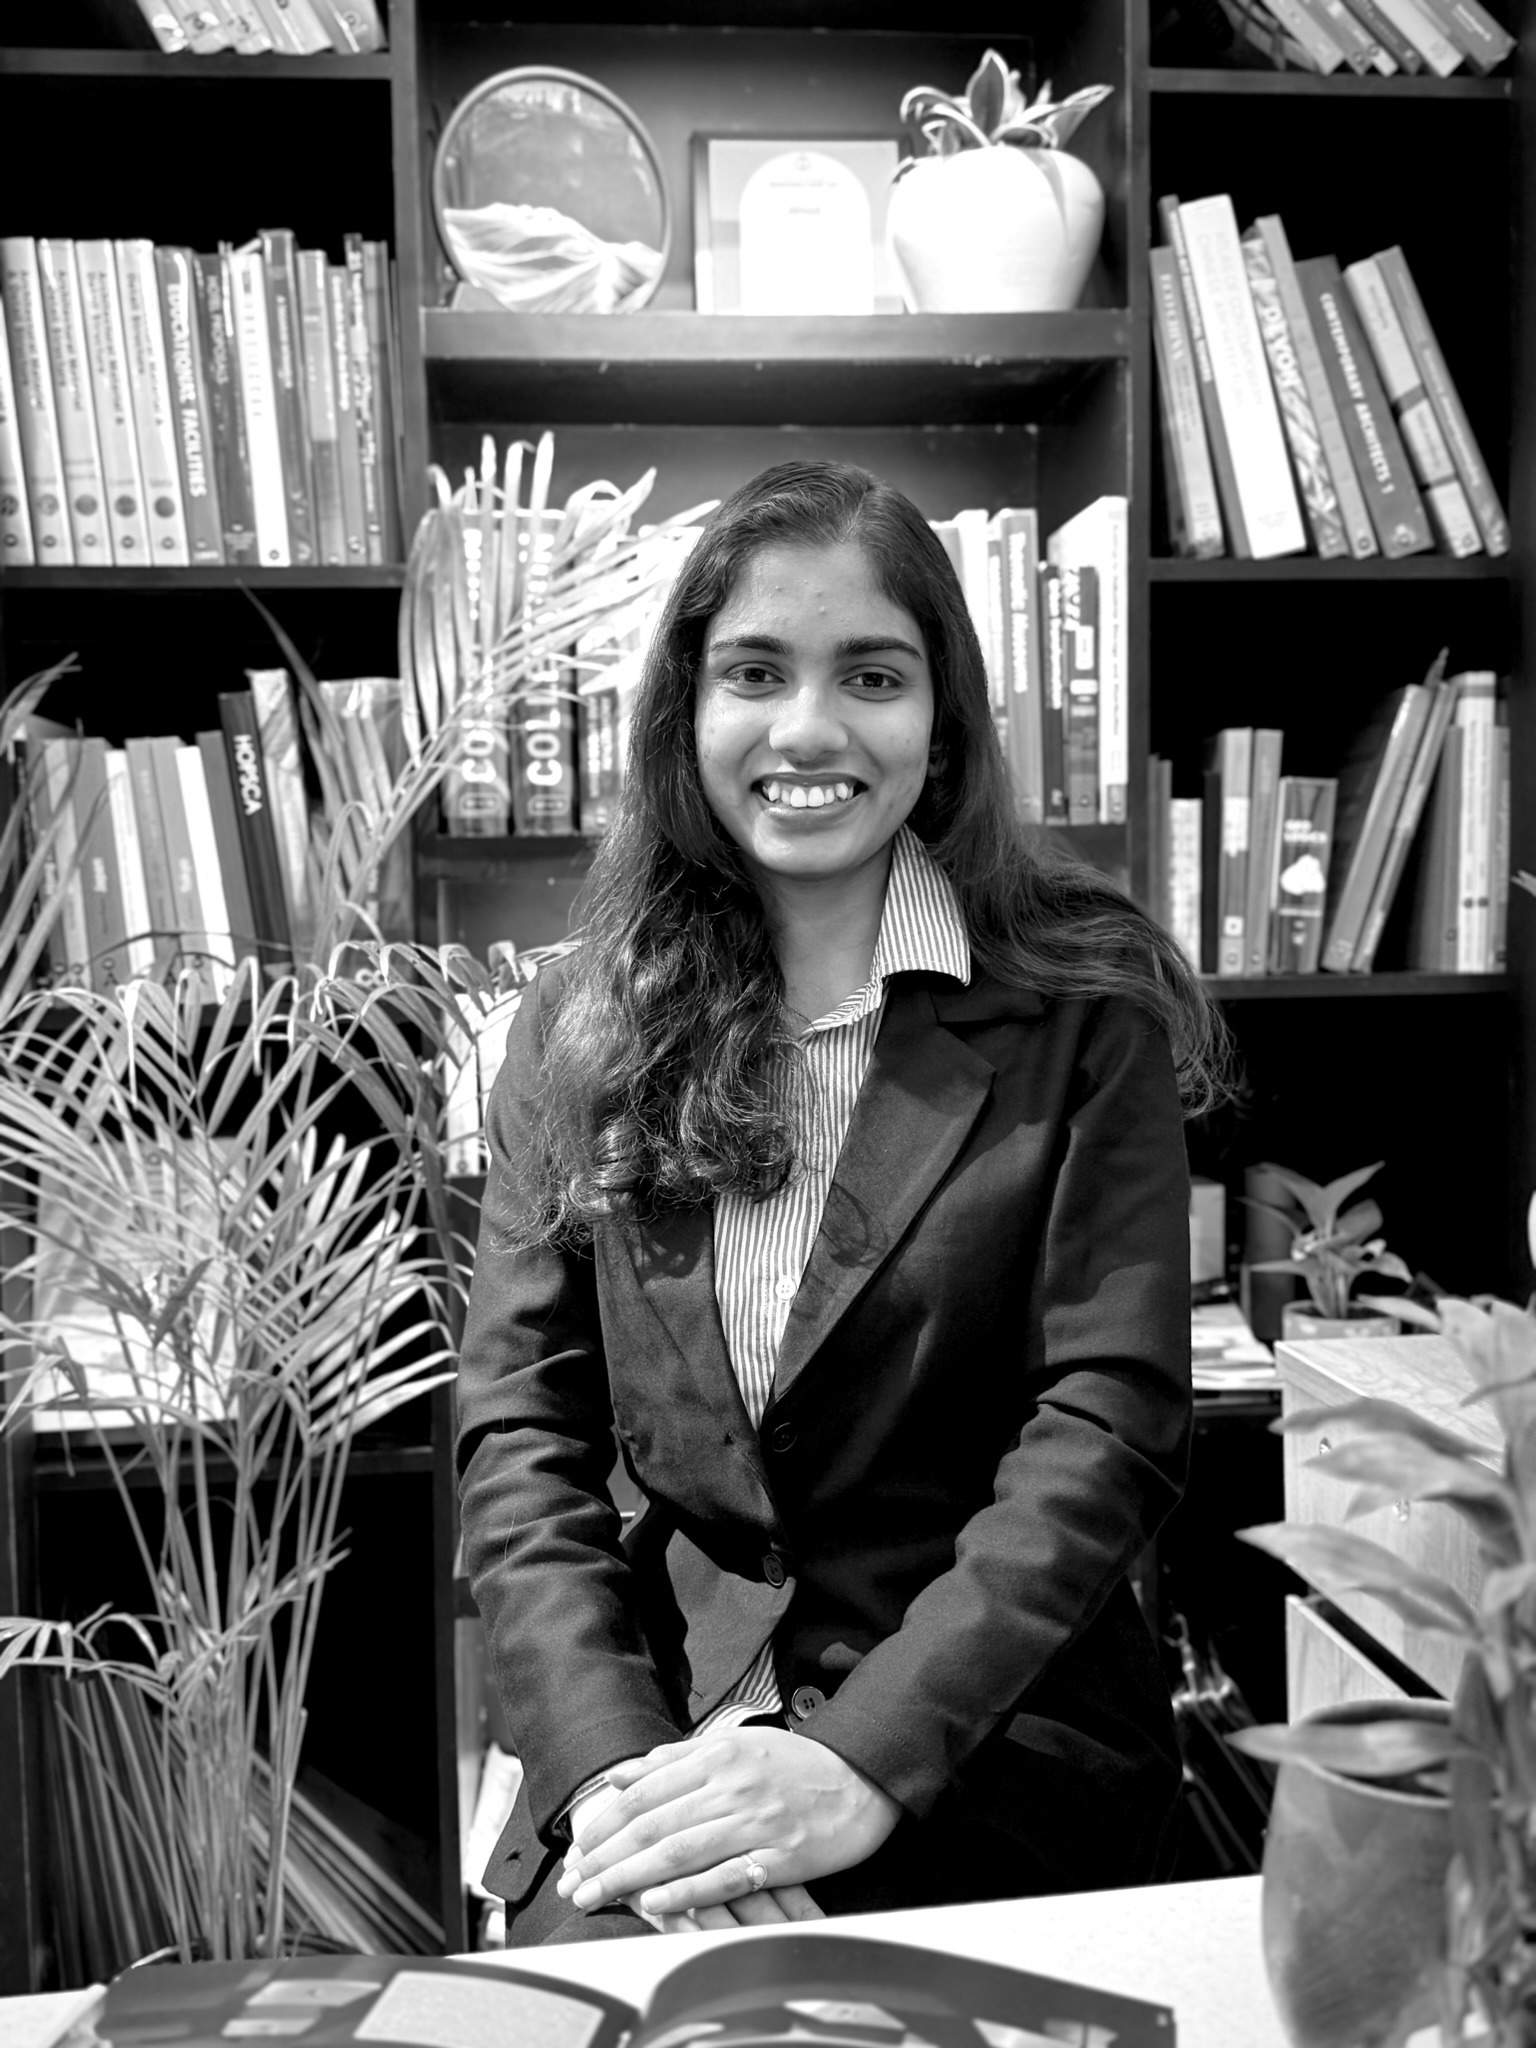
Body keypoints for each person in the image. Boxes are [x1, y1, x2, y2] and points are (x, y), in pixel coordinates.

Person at [455, 459, 1226, 1947]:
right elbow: (519, 1434)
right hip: (659, 1729)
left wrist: (858, 1763)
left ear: (942, 723)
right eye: (755, 672)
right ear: (687, 711)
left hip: (979, 1730)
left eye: (871, 675)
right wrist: (610, 1772)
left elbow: (1109, 1426)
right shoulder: (578, 1024)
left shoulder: (1085, 1006)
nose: (808, 729)